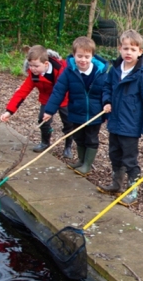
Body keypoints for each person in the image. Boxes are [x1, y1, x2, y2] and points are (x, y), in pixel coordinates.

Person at [100, 29, 143, 205]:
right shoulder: (115, 70)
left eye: (133, 49)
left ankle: (133, 189)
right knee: (114, 153)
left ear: (140, 52)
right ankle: (116, 183)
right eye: (125, 48)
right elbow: (107, 87)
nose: (128, 52)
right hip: (115, 122)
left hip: (131, 125)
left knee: (129, 158)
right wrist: (107, 101)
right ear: (120, 49)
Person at [43, 36, 110, 176]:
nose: (83, 60)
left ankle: (87, 164)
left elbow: (106, 91)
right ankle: (81, 160)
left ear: (92, 56)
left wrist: (107, 105)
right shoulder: (69, 72)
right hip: (75, 111)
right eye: (80, 56)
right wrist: (49, 110)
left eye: (87, 56)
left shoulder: (101, 72)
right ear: (74, 55)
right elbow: (58, 91)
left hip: (94, 113)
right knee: (79, 137)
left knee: (91, 138)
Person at [0, 45, 73, 156]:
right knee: (42, 120)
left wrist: (52, 110)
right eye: (30, 66)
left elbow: (62, 90)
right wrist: (9, 111)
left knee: (68, 122)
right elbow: (22, 92)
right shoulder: (33, 75)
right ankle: (45, 142)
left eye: (36, 66)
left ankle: (68, 146)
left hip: (64, 98)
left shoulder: (61, 70)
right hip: (46, 99)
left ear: (46, 64)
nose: (33, 69)